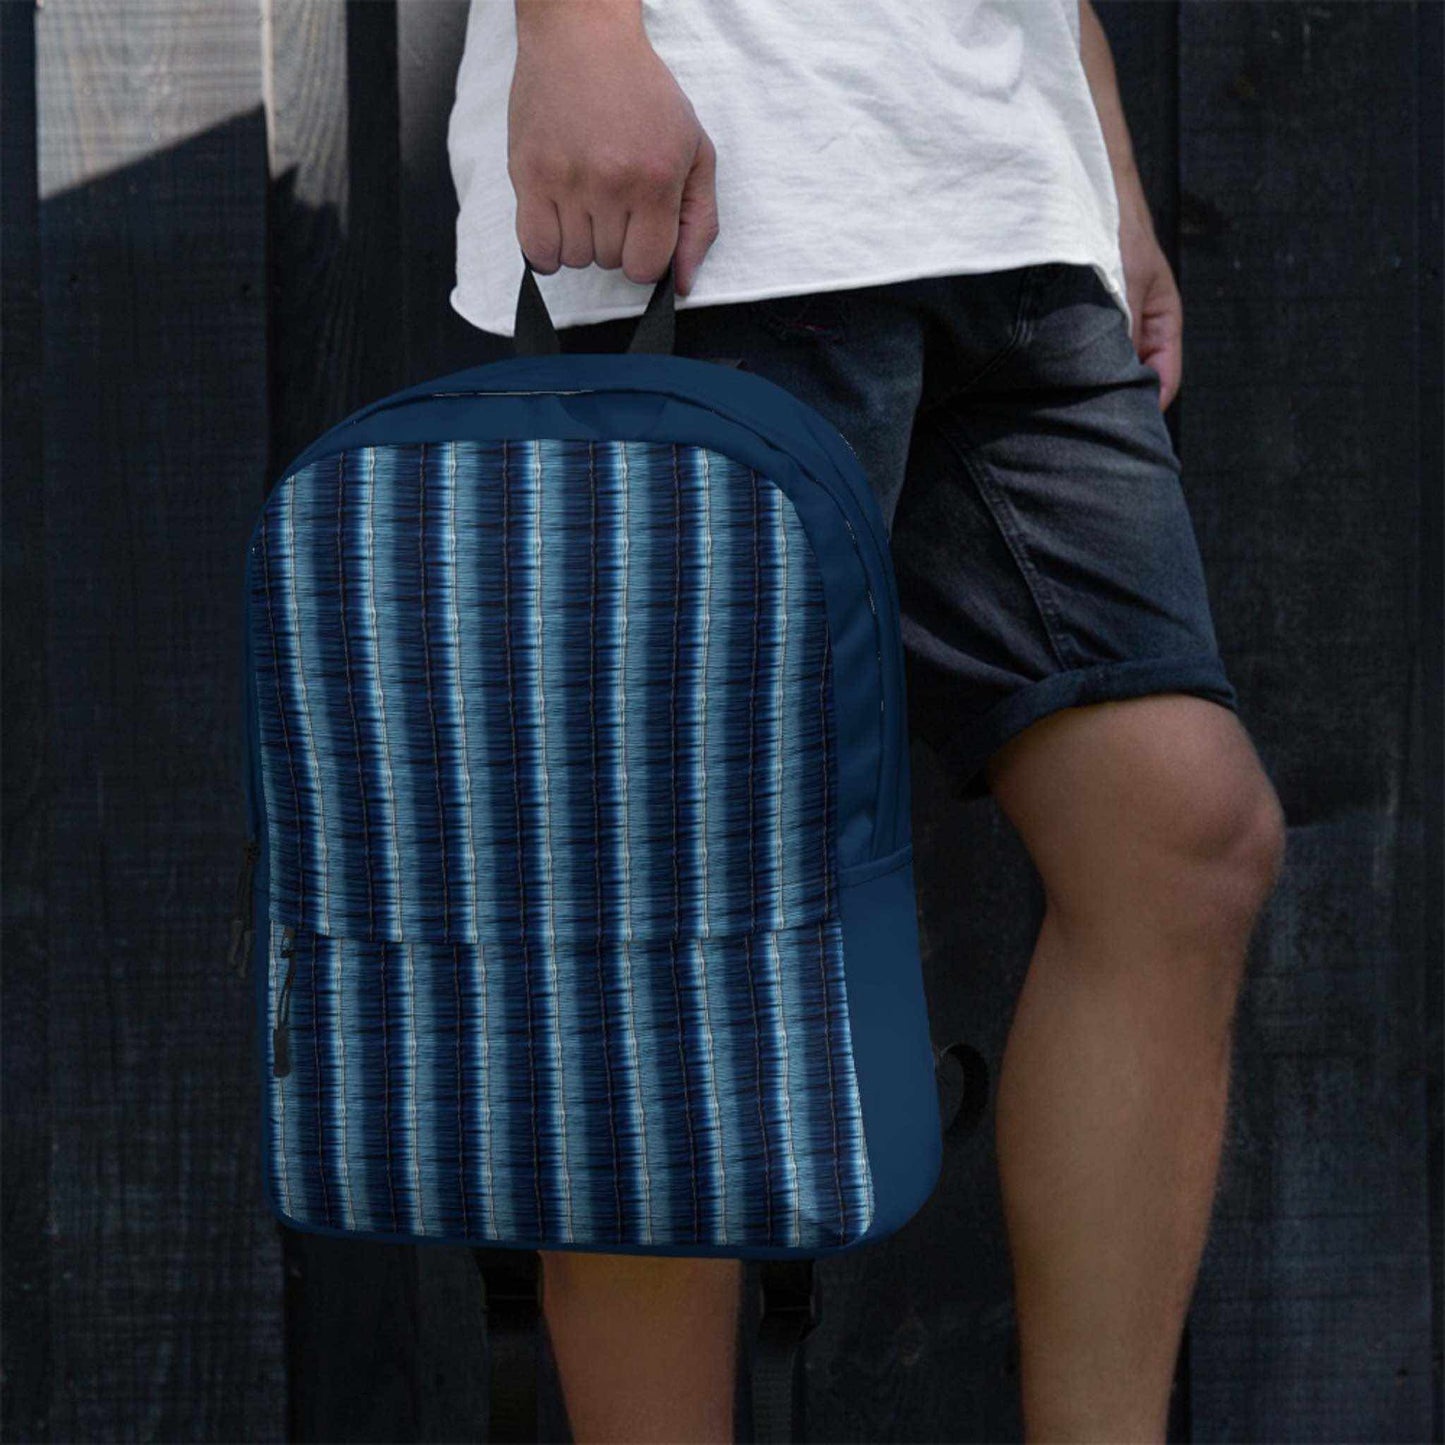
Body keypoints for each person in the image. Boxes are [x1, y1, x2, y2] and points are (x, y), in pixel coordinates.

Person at [446, 2, 1288, 1440]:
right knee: (670, 933)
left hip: (1005, 192)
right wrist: (573, 32)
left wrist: (1106, 168)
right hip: (722, 179)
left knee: (1177, 831)